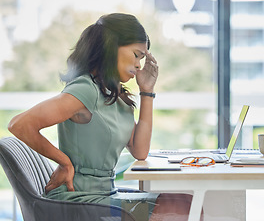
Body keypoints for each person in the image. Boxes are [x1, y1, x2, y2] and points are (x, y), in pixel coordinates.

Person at [8, 13, 195, 221]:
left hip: (106, 196)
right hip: (79, 201)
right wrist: (65, 163)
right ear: (111, 47)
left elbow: (140, 151)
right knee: (178, 211)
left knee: (187, 203)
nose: (139, 65)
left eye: (142, 58)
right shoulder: (85, 89)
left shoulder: (113, 94)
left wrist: (147, 91)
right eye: (136, 54)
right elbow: (20, 124)